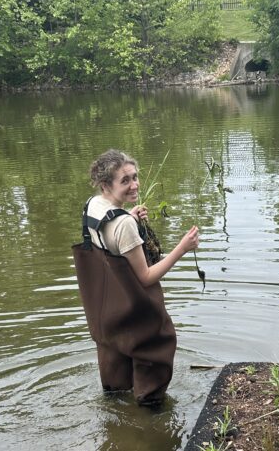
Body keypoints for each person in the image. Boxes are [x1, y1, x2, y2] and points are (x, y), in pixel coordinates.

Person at [74, 149, 199, 405]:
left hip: (105, 311)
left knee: (114, 358)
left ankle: (115, 407)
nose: (135, 185)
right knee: (154, 346)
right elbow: (146, 277)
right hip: (133, 308)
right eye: (125, 180)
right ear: (106, 184)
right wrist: (182, 248)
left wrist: (127, 216)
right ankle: (151, 417)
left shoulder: (93, 205)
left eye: (135, 177)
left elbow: (107, 237)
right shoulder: (124, 225)